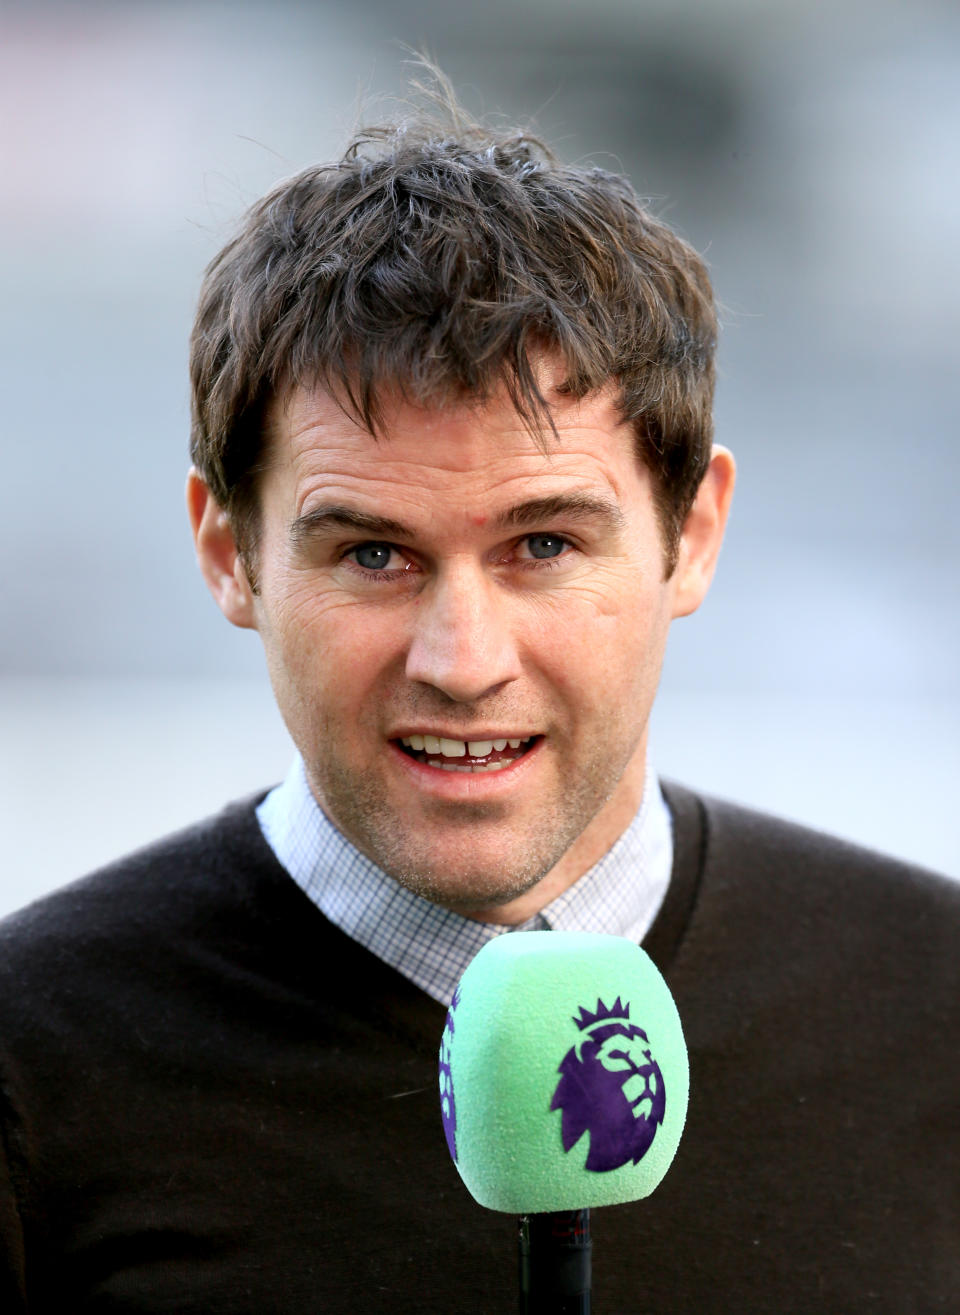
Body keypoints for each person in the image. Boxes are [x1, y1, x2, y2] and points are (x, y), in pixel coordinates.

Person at [1, 76, 958, 1313]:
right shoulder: (32, 1064)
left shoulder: (935, 1004)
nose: (462, 660)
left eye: (545, 545)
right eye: (373, 554)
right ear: (229, 551)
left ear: (694, 534)